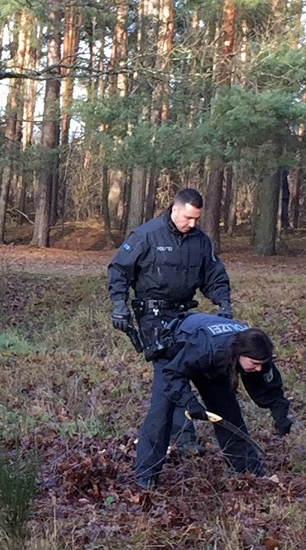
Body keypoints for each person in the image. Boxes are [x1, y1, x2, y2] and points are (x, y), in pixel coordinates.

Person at [108, 188, 232, 453]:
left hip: (185, 314)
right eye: (188, 217)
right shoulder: (146, 235)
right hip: (153, 315)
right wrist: (119, 305)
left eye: (196, 219)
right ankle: (176, 437)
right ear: (174, 209)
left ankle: (178, 432)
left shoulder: (200, 241)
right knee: (169, 368)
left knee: (190, 366)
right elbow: (119, 269)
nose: (192, 224)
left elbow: (213, 275)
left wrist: (224, 304)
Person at [134, 312, 292, 488]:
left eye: (262, 363)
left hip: (212, 362)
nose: (259, 368)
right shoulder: (207, 347)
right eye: (254, 364)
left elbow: (268, 386)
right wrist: (190, 403)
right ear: (240, 354)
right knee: (161, 415)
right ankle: (146, 478)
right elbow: (173, 374)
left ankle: (248, 472)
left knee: (228, 415)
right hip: (174, 355)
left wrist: (280, 413)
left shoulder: (257, 350)